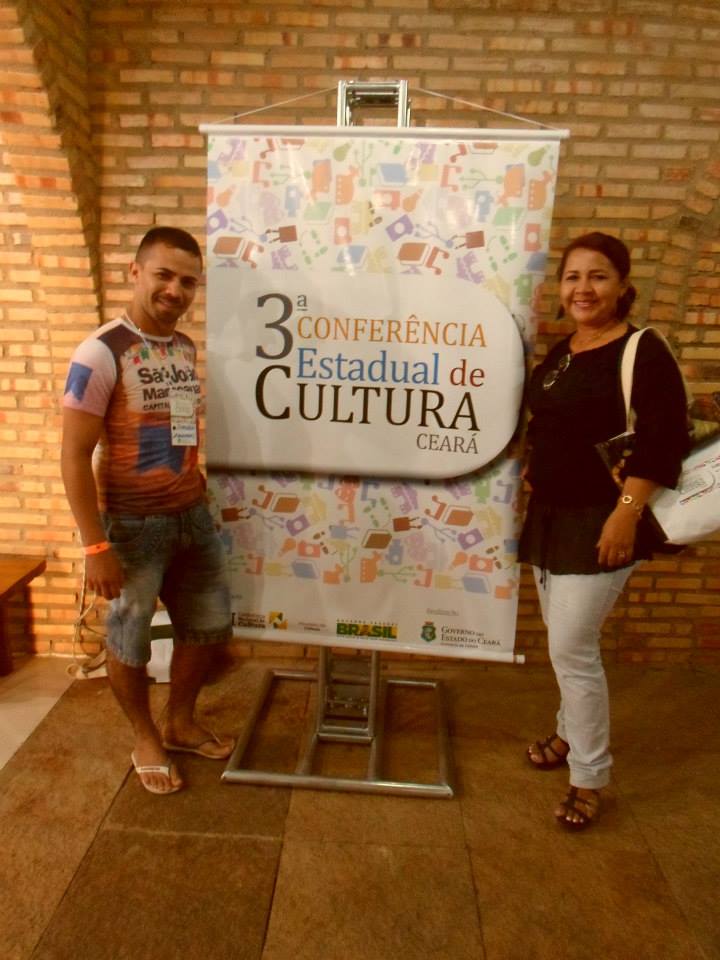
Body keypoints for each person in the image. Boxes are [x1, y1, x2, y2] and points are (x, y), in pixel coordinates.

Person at [518, 232, 688, 830]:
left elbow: (665, 439)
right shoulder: (564, 351)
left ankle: (588, 776)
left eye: (598, 276)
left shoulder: (642, 350)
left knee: (572, 650)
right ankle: (568, 733)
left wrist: (625, 512)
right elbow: (548, 422)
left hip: (603, 520)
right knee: (563, 642)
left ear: (622, 286)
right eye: (573, 277)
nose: (583, 288)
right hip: (551, 517)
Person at [61, 226, 234, 796]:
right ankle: (145, 736)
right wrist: (95, 545)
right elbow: (73, 456)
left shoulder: (182, 347)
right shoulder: (100, 352)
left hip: (191, 517)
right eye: (163, 275)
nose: (175, 290)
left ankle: (179, 722)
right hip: (133, 529)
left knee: (206, 627)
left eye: (188, 281)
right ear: (135, 272)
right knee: (128, 640)